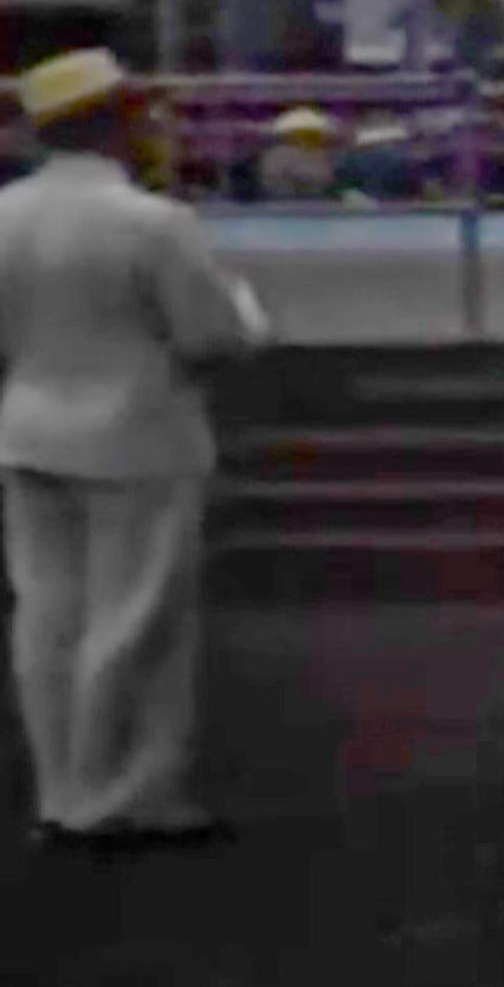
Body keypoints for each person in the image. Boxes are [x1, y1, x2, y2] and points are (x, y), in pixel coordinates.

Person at [0, 50, 272, 847]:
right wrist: (251, 313)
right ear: (116, 119)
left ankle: (62, 791)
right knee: (134, 618)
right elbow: (212, 335)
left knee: (45, 618)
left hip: (26, 429)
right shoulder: (154, 223)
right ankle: (127, 795)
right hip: (139, 436)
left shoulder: (4, 213)